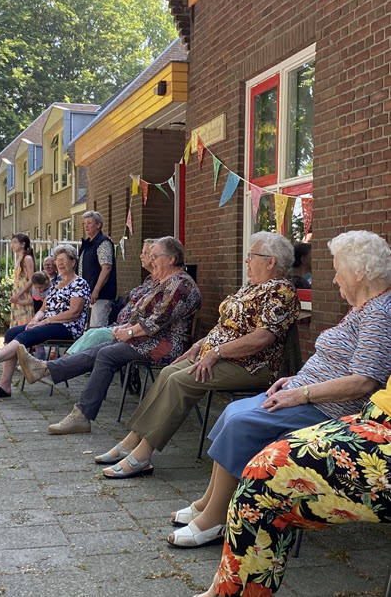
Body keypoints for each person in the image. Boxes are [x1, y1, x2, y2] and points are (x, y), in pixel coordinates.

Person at [167, 230, 391, 548]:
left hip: (329, 409)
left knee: (243, 423)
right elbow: (336, 361)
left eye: (338, 270)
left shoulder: (380, 315)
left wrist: (301, 393)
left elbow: (364, 381)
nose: (335, 280)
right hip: (306, 393)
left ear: (359, 272)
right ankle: (210, 503)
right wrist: (296, 382)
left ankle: (216, 520)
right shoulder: (364, 308)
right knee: (233, 411)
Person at [96, 231, 300, 479]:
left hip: (252, 365)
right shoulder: (251, 288)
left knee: (180, 380)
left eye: (252, 255)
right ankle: (132, 442)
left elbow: (262, 338)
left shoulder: (281, 291)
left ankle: (142, 455)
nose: (246, 260)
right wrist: (200, 345)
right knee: (170, 371)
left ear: (271, 261)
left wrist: (216, 352)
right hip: (220, 356)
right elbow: (226, 326)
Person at [193, 373, 391, 597]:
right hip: (374, 415)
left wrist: (303, 392)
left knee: (265, 475)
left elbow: (364, 378)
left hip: (362, 418)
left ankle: (228, 584)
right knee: (243, 426)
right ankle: (225, 578)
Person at [17, 237, 202, 435]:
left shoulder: (180, 285)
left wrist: (127, 331)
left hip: (164, 344)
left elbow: (155, 321)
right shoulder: (164, 281)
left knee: (107, 354)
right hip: (148, 339)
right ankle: (44, 370)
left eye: (155, 256)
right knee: (101, 349)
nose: (152, 260)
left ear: (172, 259)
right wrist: (125, 329)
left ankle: (79, 412)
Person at [0, 244, 90, 399]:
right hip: (47, 323)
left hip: (67, 327)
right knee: (12, 333)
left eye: (63, 260)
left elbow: (74, 313)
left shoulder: (79, 283)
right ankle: (4, 386)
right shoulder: (57, 284)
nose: (59, 263)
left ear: (73, 262)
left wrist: (45, 322)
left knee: (27, 336)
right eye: (57, 260)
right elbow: (43, 309)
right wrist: (35, 320)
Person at [64, 239, 158, 355]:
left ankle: (63, 364)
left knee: (97, 335)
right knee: (91, 332)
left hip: (131, 331)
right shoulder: (149, 279)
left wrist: (128, 329)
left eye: (145, 253)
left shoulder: (162, 284)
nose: (140, 256)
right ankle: (64, 362)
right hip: (122, 326)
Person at [78, 211, 117, 327]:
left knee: (96, 327)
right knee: (87, 328)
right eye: (84, 223)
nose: (86, 226)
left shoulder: (103, 242)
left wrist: (96, 290)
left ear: (98, 225)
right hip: (87, 294)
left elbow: (106, 267)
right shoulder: (88, 244)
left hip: (100, 296)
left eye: (89, 223)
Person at [9, 233, 35, 328]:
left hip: (23, 293)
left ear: (23, 244)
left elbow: (31, 279)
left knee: (23, 320)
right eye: (12, 242)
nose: (13, 245)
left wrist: (19, 294)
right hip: (18, 293)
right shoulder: (19, 258)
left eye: (15, 242)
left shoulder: (27, 258)